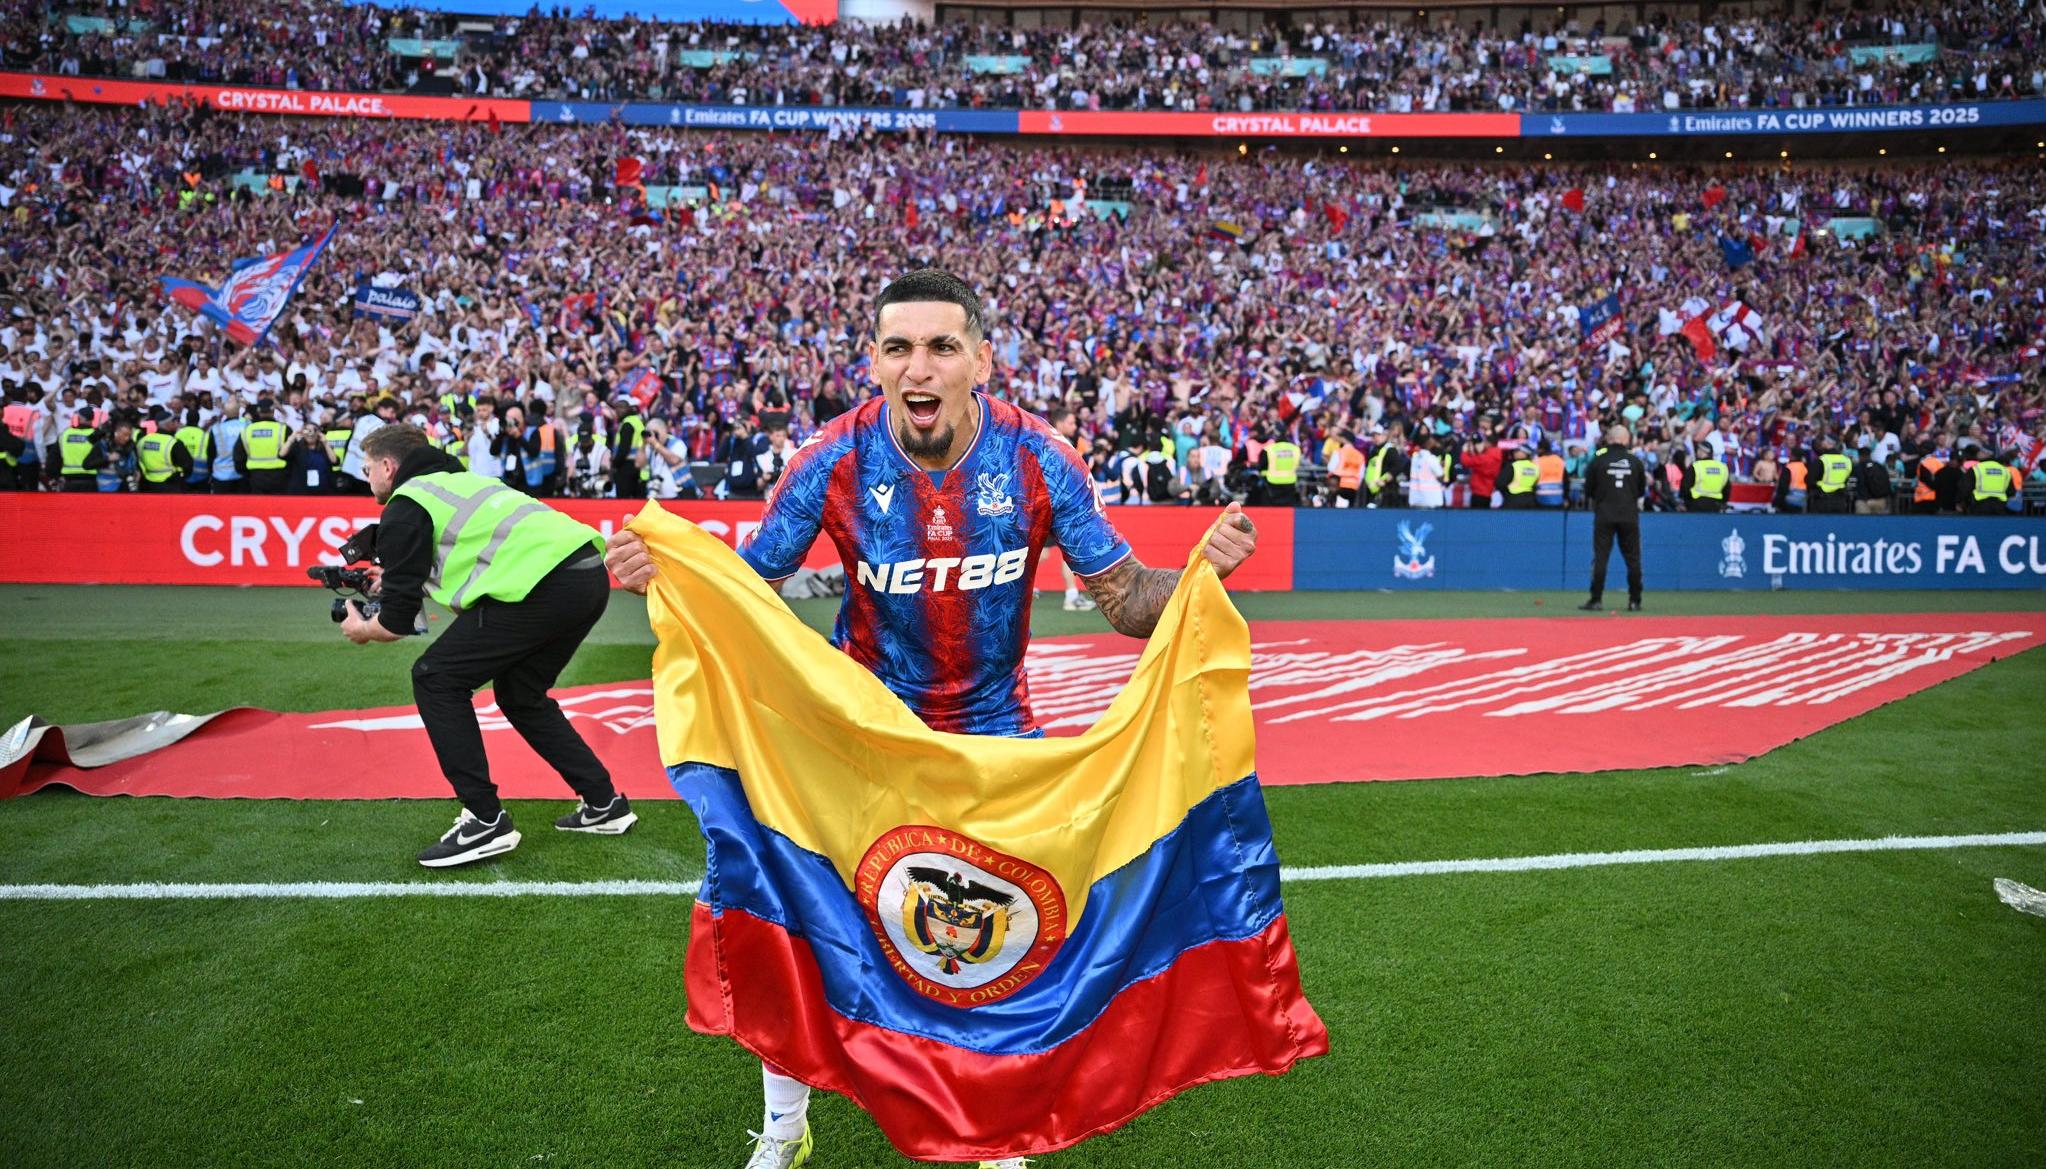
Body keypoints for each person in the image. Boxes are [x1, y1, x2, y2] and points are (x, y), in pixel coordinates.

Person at [600, 269, 1258, 1169]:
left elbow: (1124, 599)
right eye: (900, 347)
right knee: (796, 908)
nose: (922, 365)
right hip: (864, 742)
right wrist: (668, 574)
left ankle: (996, 1134)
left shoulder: (1036, 456)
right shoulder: (835, 457)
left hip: (994, 741)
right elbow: (746, 592)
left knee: (1004, 942)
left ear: (980, 360)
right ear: (873, 363)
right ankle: (787, 1128)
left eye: (943, 346)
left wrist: (1197, 577)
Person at [340, 423, 636, 868]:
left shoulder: (406, 504)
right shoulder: (462, 481)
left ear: (388, 466)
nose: (367, 481)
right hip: (585, 573)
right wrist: (400, 580)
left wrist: (361, 627)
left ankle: (484, 820)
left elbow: (396, 624)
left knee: (434, 677)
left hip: (546, 584)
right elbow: (479, 575)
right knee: (520, 695)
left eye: (367, 470)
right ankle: (603, 803)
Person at [1581, 423, 1647, 612]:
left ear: (1609, 439)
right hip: (1629, 514)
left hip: (1604, 513)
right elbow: (1641, 490)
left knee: (1601, 558)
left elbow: (1589, 489)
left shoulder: (1598, 460)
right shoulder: (1635, 461)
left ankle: (1596, 600)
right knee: (1633, 559)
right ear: (1627, 440)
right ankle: (1635, 601)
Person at [238, 398, 292, 494]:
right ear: (273, 410)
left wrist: (247, 475)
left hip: (255, 477)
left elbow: (238, 457)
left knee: (259, 507)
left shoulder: (247, 430)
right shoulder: (283, 429)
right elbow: (293, 454)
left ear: (258, 411)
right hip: (279, 477)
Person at [1808, 437, 1852, 514]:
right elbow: (1848, 477)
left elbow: (1810, 480)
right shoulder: (1846, 460)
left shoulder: (1822, 460)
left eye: (1824, 440)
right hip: (1840, 499)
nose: (1822, 443)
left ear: (1830, 444)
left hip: (1823, 499)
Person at [1683, 448, 1729, 513]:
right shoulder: (1722, 467)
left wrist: (1687, 503)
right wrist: (1723, 502)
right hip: (1716, 505)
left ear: (1702, 451)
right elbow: (1727, 489)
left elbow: (1685, 487)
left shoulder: (1696, 466)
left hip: (1697, 504)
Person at [1851, 446, 1891, 515]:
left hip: (1863, 502)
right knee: (1879, 524)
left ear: (1860, 456)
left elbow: (1852, 484)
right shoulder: (1879, 466)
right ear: (1870, 455)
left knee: (1864, 524)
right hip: (1880, 500)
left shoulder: (1857, 467)